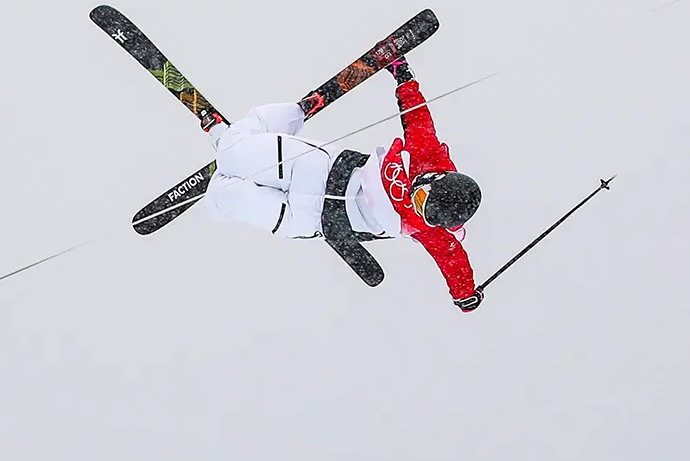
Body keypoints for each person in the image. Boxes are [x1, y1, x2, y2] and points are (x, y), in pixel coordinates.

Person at [203, 59, 485, 310]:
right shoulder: (427, 155)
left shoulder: (431, 231)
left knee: (225, 199)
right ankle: (245, 130)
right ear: (434, 179)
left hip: (309, 220)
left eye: (420, 209)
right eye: (421, 196)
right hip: (315, 169)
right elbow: (417, 116)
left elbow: (453, 261)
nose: (414, 202)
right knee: (232, 155)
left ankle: (227, 152)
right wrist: (403, 77)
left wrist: (464, 294)